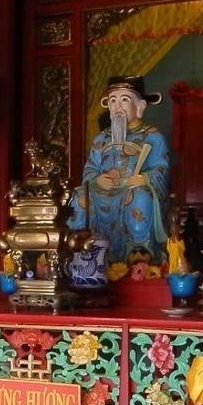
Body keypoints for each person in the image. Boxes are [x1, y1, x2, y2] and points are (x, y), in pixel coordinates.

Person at [68, 75, 172, 264]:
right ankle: (83, 253)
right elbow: (90, 168)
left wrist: (146, 178)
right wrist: (96, 180)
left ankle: (139, 252)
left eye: (124, 100)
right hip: (103, 190)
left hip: (132, 189)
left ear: (140, 107)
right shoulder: (101, 139)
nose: (117, 107)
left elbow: (162, 168)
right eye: (113, 101)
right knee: (79, 197)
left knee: (140, 196)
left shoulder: (152, 136)